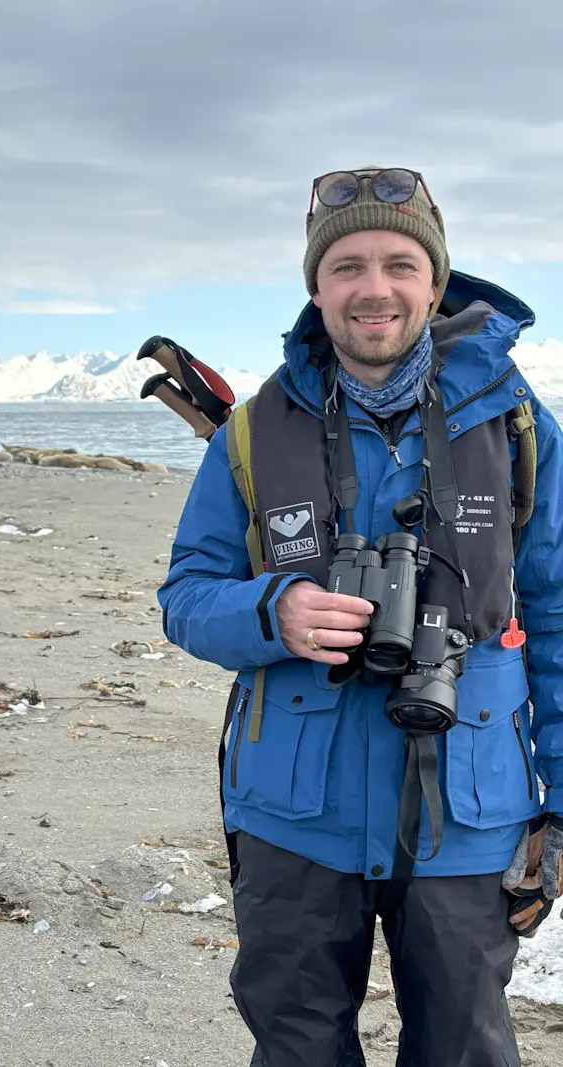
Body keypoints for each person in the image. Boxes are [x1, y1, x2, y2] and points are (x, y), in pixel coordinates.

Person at [157, 166, 563, 1067]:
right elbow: (185, 597)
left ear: (434, 280)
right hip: (294, 811)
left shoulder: (517, 425)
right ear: (316, 286)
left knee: (465, 1049)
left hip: (470, 809)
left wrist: (562, 809)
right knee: (297, 1046)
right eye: (345, 266)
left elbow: (560, 618)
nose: (372, 289)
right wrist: (275, 611)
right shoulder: (255, 431)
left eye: (398, 264)